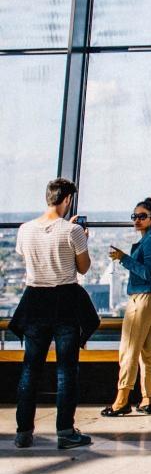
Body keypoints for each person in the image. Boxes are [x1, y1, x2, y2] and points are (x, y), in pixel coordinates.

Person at [10, 178, 97, 449]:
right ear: (68, 200)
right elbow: (83, 268)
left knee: (30, 369)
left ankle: (23, 431)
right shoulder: (72, 232)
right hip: (64, 303)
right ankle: (65, 431)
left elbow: (27, 258)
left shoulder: (25, 230)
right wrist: (81, 238)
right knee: (66, 370)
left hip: (34, 301)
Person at [102, 197, 151, 416]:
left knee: (129, 349)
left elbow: (147, 272)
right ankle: (147, 398)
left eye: (141, 216)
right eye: (134, 216)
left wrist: (123, 258)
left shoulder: (150, 242)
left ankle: (121, 400)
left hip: (142, 300)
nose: (137, 220)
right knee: (149, 350)